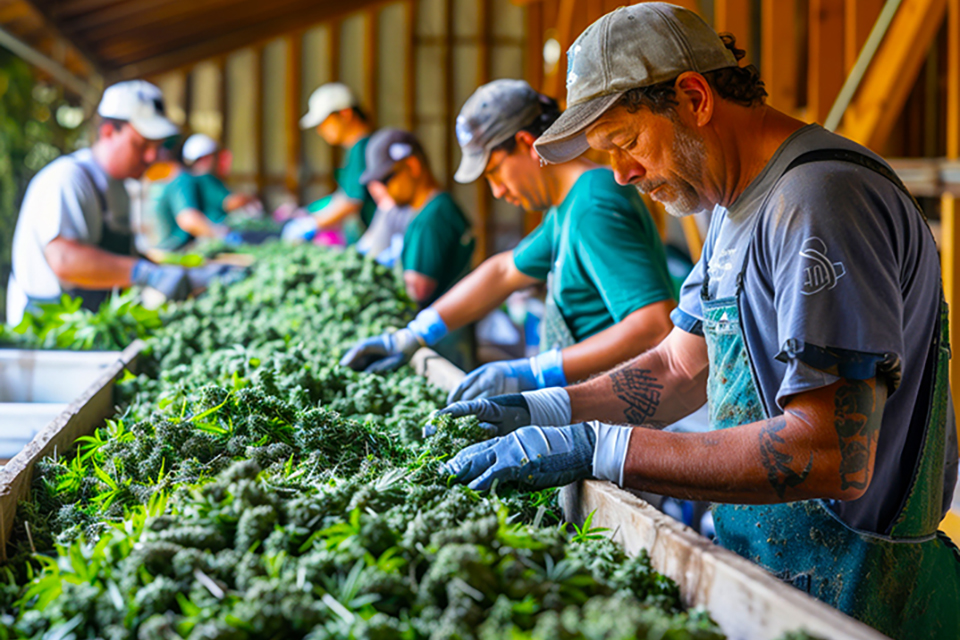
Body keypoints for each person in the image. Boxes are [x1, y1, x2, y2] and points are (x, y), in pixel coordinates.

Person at [438, 4, 960, 638]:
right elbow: (679, 363)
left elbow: (833, 453)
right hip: (771, 576)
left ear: (694, 97)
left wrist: (605, 448)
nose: (624, 176)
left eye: (627, 144)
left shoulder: (818, 202)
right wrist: (548, 409)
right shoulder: (732, 209)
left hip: (861, 598)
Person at [341, 79, 675, 406]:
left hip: (618, 415)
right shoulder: (566, 209)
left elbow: (652, 324)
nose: (497, 191)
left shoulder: (593, 204)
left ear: (527, 143)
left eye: (494, 172)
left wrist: (533, 372)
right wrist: (414, 334)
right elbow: (503, 271)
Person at [6, 80, 198, 325]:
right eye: (141, 145)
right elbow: (64, 260)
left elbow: (117, 255)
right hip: (48, 332)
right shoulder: (68, 179)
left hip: (91, 326)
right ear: (108, 132)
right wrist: (145, 274)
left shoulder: (118, 187)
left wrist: (181, 274)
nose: (151, 157)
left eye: (156, 147)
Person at [342, 128, 476, 369]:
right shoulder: (431, 209)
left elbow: (418, 289)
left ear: (412, 166)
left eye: (386, 179)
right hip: (447, 331)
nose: (382, 189)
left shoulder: (431, 218)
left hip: (444, 341)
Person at [283, 82, 377, 244]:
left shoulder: (363, 148)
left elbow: (352, 201)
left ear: (345, 114)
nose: (321, 130)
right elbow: (344, 195)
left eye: (324, 122)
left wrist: (313, 224)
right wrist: (310, 212)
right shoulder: (356, 149)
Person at [152, 133, 259, 250]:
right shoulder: (185, 180)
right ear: (207, 158)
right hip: (177, 250)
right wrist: (220, 234)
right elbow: (188, 219)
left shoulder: (198, 180)